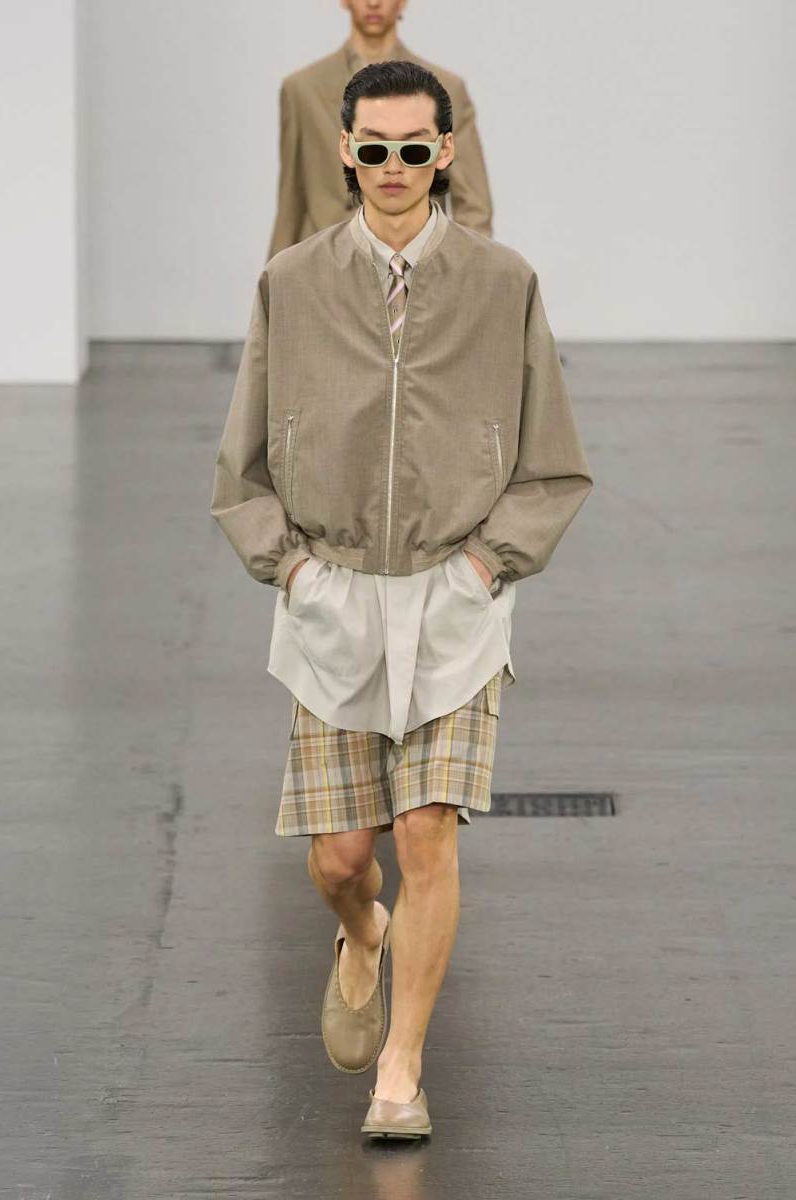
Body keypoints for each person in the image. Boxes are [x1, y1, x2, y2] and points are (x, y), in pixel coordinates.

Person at [211, 60, 593, 1140]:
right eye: (372, 148)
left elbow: (553, 463)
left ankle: (401, 1071)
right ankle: (362, 930)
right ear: (345, 151)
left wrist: (483, 568)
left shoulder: (502, 284)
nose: (392, 166)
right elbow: (240, 467)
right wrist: (292, 572)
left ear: (444, 152)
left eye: (412, 148)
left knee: (427, 832)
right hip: (330, 599)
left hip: (453, 601)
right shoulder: (291, 283)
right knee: (343, 858)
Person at [267, 0, 493, 259]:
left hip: (415, 265)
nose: (373, 3)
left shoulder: (446, 90)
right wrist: (276, 277)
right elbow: (291, 202)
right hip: (324, 266)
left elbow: (473, 205)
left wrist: (467, 271)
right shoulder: (302, 90)